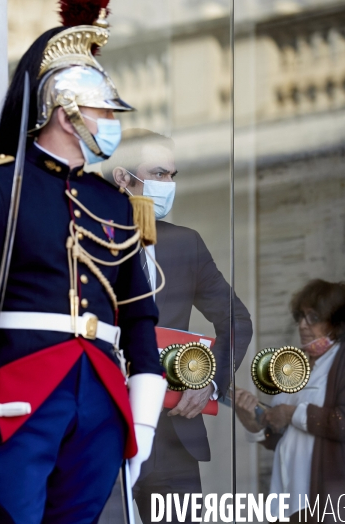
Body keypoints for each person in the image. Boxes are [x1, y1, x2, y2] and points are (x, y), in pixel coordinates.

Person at [0, 7, 167, 524]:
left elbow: (140, 318)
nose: (111, 125)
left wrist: (143, 421)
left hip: (103, 396)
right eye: (104, 113)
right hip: (23, 391)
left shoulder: (118, 204)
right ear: (66, 112)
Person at [101, 130, 253, 523]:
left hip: (174, 436)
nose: (169, 185)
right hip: (104, 430)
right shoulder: (88, 241)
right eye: (158, 174)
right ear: (123, 178)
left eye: (173, 175)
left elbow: (236, 319)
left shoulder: (186, 244)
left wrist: (210, 382)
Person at [235, 279, 345, 523]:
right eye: (300, 317)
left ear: (337, 322)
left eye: (313, 318)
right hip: (291, 503)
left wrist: (291, 414)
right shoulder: (297, 366)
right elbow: (284, 437)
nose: (302, 325)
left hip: (332, 505)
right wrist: (254, 423)